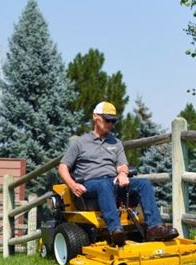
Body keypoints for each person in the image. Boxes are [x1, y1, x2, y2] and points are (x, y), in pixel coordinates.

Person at [58, 101, 179, 246]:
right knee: (104, 184)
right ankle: (115, 229)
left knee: (144, 184)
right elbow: (63, 167)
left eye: (113, 121)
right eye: (107, 119)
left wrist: (122, 174)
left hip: (112, 182)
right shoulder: (81, 143)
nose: (111, 124)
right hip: (90, 184)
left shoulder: (116, 143)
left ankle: (154, 228)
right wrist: (72, 185)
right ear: (96, 117)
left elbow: (122, 165)